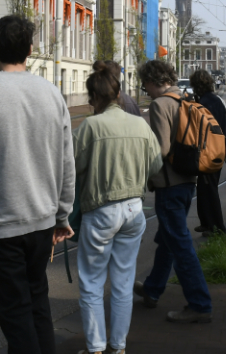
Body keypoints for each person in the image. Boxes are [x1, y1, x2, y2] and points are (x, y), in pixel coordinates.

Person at [0, 15, 75, 354]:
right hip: (41, 223)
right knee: (38, 305)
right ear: (30, 50)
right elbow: (67, 164)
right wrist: (63, 216)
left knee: (16, 316)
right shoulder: (52, 94)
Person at [73, 61, 163, 354]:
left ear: (95, 98)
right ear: (117, 94)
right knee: (124, 283)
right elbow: (156, 165)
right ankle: (119, 345)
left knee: (91, 282)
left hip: (100, 212)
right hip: (134, 211)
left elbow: (72, 168)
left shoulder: (90, 127)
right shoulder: (140, 124)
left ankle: (96, 346)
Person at [133, 59, 214, 324]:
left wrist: (142, 170)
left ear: (154, 81)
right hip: (188, 180)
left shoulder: (160, 105)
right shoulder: (186, 99)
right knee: (168, 240)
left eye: (145, 84)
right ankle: (153, 289)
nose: (145, 90)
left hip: (169, 184)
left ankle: (199, 303)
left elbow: (161, 149)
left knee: (179, 245)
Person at [189, 69, 226, 236]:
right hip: (219, 150)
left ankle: (217, 227)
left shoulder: (204, 103)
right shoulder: (216, 100)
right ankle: (206, 223)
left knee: (209, 188)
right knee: (206, 189)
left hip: (209, 152)